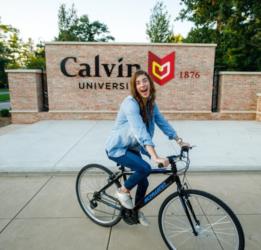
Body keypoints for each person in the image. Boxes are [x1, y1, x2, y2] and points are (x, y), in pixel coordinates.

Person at [105, 69, 189, 226]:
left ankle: (135, 211)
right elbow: (140, 131)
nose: (142, 85)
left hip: (133, 147)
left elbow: (162, 122)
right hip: (117, 148)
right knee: (145, 168)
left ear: (150, 83)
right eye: (138, 83)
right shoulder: (130, 104)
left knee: (144, 181)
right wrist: (154, 156)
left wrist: (179, 140)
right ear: (134, 87)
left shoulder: (151, 104)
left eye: (144, 81)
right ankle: (122, 191)